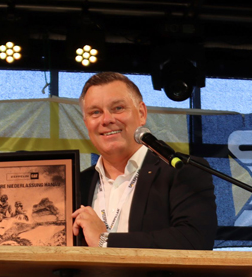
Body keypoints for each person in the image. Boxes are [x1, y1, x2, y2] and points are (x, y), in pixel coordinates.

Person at [71, 71, 217, 250]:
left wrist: (105, 241)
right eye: (95, 112)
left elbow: (195, 240)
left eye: (118, 108)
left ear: (141, 113)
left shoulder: (182, 171)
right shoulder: (75, 185)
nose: (107, 120)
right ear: (86, 122)